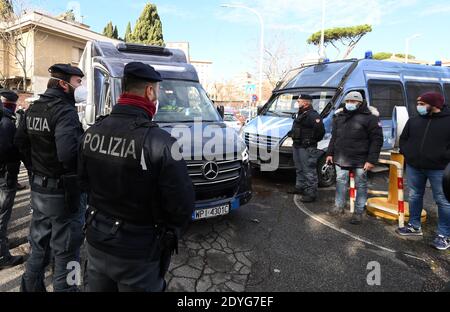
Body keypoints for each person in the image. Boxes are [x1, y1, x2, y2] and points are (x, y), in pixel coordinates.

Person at [79, 62, 194, 292]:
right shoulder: (161, 142)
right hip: (138, 254)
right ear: (149, 92)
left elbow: (82, 182)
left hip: (96, 241)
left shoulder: (91, 133)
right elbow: (182, 205)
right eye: (157, 91)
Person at [15, 64, 87, 292]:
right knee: (68, 252)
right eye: (78, 82)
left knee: (38, 246)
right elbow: (68, 154)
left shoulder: (34, 108)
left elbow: (20, 142)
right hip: (63, 194)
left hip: (39, 191)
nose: (81, 87)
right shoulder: (64, 111)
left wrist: (36, 168)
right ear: (64, 85)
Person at [398, 92, 450, 251]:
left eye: (422, 103)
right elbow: (404, 139)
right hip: (415, 166)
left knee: (443, 200)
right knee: (414, 195)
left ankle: (444, 235)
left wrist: (443, 157)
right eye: (418, 103)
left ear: (434, 105)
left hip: (439, 169)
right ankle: (414, 226)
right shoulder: (414, 120)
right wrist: (407, 153)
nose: (418, 106)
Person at [326, 91, 383, 225]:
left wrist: (371, 160)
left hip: (361, 159)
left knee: (361, 185)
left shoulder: (370, 118)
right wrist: (330, 153)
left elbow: (377, 140)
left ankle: (358, 212)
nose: (350, 104)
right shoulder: (339, 116)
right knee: (340, 181)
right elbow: (334, 137)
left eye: (353, 102)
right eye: (348, 101)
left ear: (360, 103)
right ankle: (338, 207)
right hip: (340, 157)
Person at [0, 89, 25, 270]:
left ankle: (3, 242)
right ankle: (2, 256)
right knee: (2, 215)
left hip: (5, 176)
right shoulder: (7, 124)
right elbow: (7, 152)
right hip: (5, 178)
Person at [288, 94, 325, 202]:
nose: (297, 103)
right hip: (297, 145)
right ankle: (300, 187)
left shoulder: (313, 115)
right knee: (299, 168)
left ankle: (311, 193)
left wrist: (311, 141)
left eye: (299, 101)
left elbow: (320, 131)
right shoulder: (301, 113)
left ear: (306, 103)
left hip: (307, 147)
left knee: (309, 170)